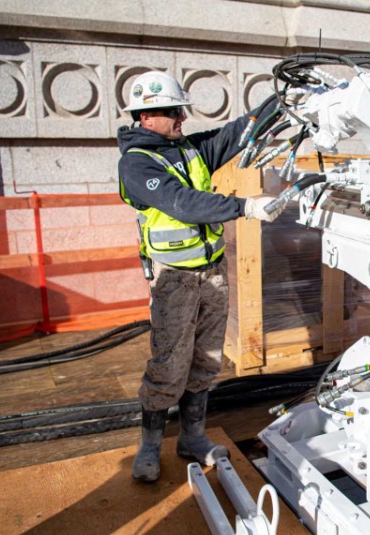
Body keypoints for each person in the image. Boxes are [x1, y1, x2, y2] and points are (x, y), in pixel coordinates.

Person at [117, 71, 282, 482]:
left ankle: (191, 437)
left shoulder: (189, 149)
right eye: (173, 111)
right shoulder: (136, 164)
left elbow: (237, 132)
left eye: (180, 111)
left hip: (212, 274)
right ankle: (150, 447)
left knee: (207, 359)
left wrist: (284, 100)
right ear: (146, 116)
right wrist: (245, 206)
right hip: (174, 279)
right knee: (169, 363)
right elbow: (182, 202)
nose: (181, 118)